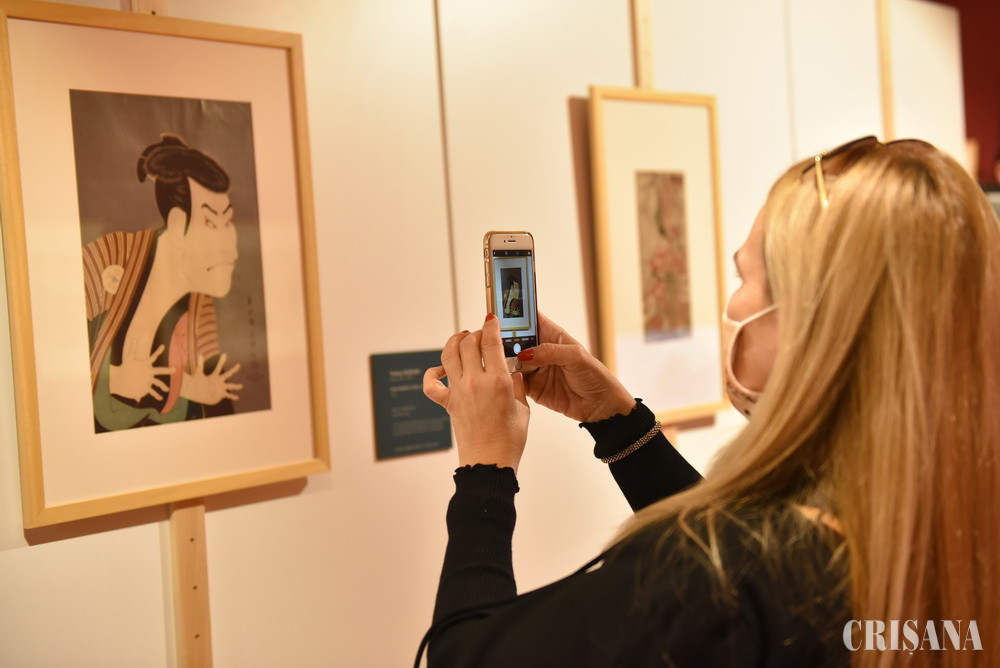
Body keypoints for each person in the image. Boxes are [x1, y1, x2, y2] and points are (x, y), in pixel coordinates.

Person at [419, 137, 999, 666]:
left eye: (745, 277)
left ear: (815, 322)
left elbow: (463, 657)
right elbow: (736, 537)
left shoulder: (718, 587)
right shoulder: (941, 530)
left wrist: (485, 468)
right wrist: (618, 424)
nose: (734, 303)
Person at [83, 134, 242, 431]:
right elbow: (45, 346)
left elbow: (212, 405)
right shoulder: (112, 256)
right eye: (211, 223)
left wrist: (198, 393)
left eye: (229, 222)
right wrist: (111, 379)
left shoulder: (200, 305)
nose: (230, 248)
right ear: (178, 223)